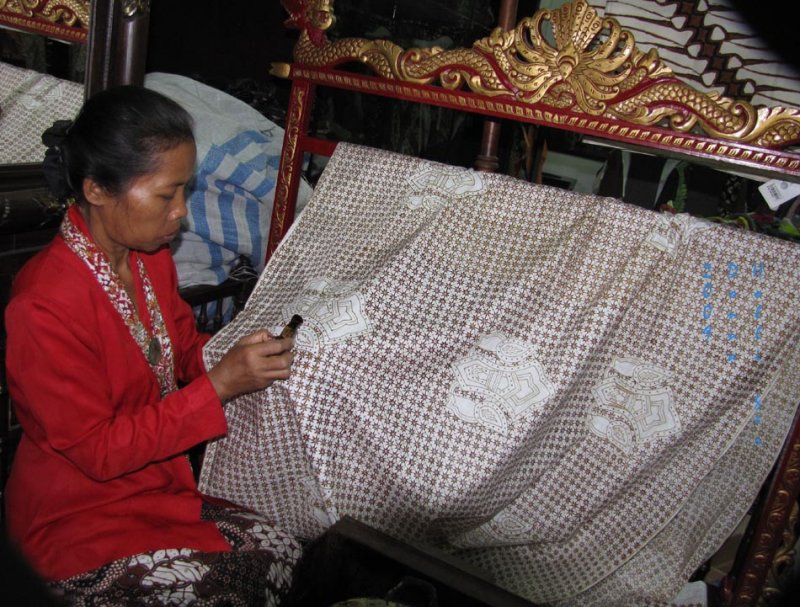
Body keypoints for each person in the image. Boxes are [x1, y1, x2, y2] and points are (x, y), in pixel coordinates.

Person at [4, 86, 301, 606]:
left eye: (185, 191)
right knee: (231, 589)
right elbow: (98, 452)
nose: (180, 214)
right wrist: (219, 385)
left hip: (152, 489)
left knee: (284, 549)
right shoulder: (43, 305)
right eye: (167, 195)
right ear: (97, 190)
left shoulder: (147, 258)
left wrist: (241, 354)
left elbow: (180, 347)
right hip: (76, 517)